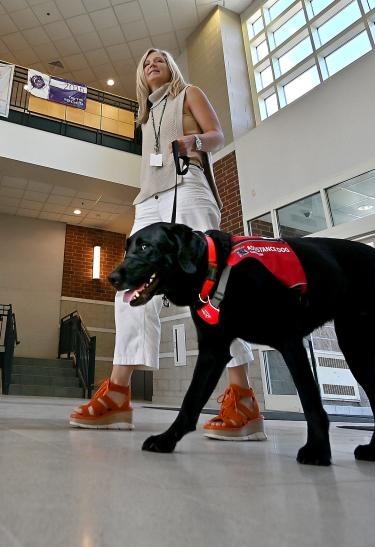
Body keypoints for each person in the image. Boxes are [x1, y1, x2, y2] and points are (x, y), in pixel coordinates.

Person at [68, 48, 266, 442]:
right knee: (130, 288)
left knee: (214, 288)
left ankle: (242, 398)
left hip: (189, 188)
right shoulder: (144, 114)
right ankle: (119, 393)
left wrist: (192, 140)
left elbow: (218, 136)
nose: (151, 63)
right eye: (144, 61)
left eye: (158, 59)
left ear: (170, 66)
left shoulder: (188, 92)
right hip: (149, 200)